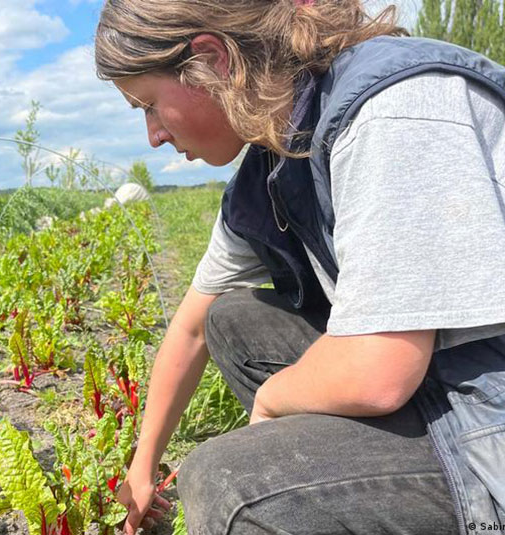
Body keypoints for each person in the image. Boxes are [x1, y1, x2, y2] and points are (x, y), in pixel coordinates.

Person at [94, 1, 505, 534]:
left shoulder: (390, 106)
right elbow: (193, 326)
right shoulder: (276, 156)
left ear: (212, 61)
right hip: (450, 378)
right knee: (232, 319)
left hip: (487, 417)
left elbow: (379, 369)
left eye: (149, 105)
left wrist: (272, 402)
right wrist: (143, 463)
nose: (153, 136)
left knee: (226, 483)